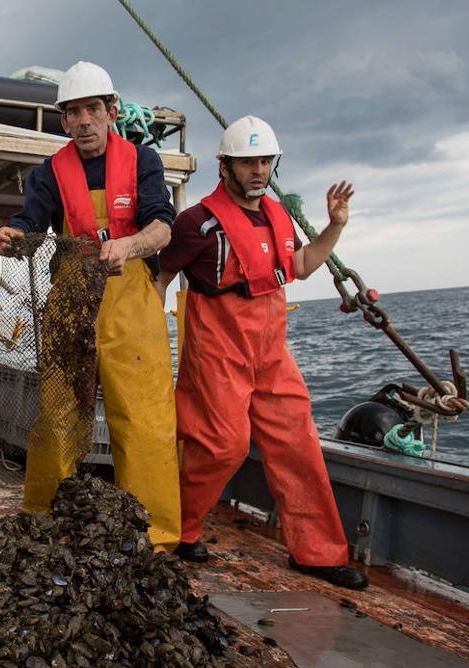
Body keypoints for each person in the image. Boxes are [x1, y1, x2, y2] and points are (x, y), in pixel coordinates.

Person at [154, 115, 368, 589]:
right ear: (224, 166)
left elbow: (304, 265)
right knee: (222, 446)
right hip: (218, 350)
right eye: (247, 161)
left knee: (298, 442)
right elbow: (162, 278)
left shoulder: (278, 214)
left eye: (264, 161)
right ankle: (179, 530)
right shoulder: (195, 224)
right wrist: (149, 339)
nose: (257, 170)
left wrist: (333, 227)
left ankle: (317, 553)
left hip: (272, 349)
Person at [0, 61, 181, 554]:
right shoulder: (49, 172)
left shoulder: (143, 161)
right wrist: (13, 238)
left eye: (92, 109)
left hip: (131, 295)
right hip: (73, 296)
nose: (83, 121)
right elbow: (29, 224)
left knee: (143, 417)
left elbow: (163, 226)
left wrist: (128, 247)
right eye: (72, 112)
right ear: (63, 120)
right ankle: (41, 521)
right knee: (59, 412)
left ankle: (154, 536)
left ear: (111, 111)